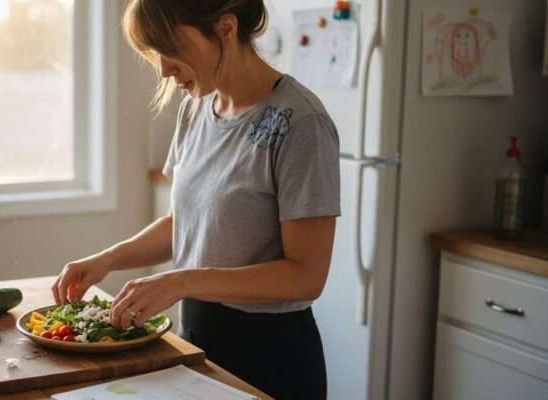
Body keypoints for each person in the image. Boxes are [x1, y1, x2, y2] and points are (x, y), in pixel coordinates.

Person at [52, 1, 340, 398]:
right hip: (199, 339)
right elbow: (186, 221)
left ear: (225, 28)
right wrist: (109, 259)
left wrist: (183, 280)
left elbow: (306, 276)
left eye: (170, 48)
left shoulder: (300, 122)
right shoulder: (196, 108)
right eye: (154, 53)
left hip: (272, 355)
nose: (163, 69)